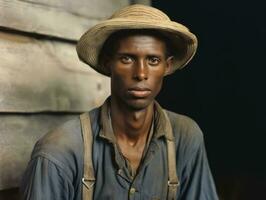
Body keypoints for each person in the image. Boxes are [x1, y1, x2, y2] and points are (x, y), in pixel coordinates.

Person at [21, 4, 218, 200]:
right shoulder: (60, 151)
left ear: (167, 66)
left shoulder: (184, 136)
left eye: (153, 61)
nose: (141, 74)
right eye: (127, 59)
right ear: (108, 63)